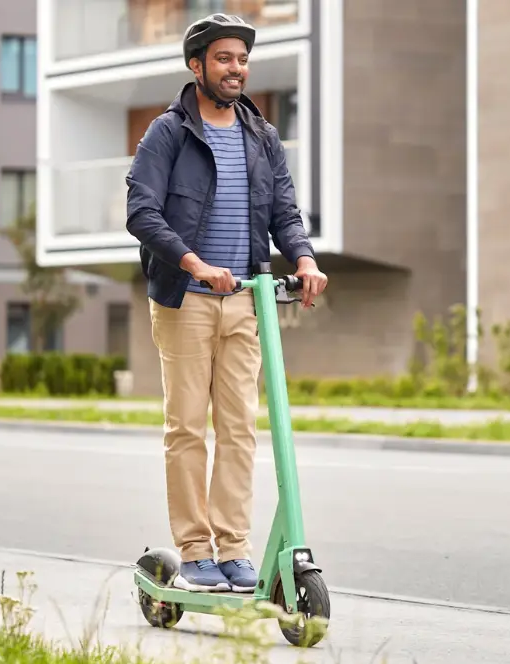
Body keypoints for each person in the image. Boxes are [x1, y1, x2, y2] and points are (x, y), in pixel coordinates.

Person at [124, 13, 327, 593]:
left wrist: (305, 260)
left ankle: (233, 549)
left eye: (241, 59)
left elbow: (284, 211)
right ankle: (194, 551)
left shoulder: (261, 136)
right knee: (187, 428)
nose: (236, 69)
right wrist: (193, 263)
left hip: (246, 301)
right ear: (197, 66)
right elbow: (142, 213)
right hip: (184, 300)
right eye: (224, 59)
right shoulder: (167, 133)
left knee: (239, 429)